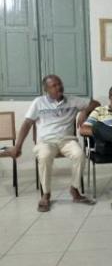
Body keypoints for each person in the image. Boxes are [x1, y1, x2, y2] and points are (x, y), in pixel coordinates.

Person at [6, 75, 99, 212]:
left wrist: (84, 111)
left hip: (67, 140)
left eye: (59, 84)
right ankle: (46, 194)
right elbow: (27, 123)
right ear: (46, 89)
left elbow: (96, 104)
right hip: (45, 141)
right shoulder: (39, 102)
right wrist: (18, 146)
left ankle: (74, 190)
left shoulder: (73, 100)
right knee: (44, 156)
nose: (59, 87)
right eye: (54, 86)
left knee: (79, 155)